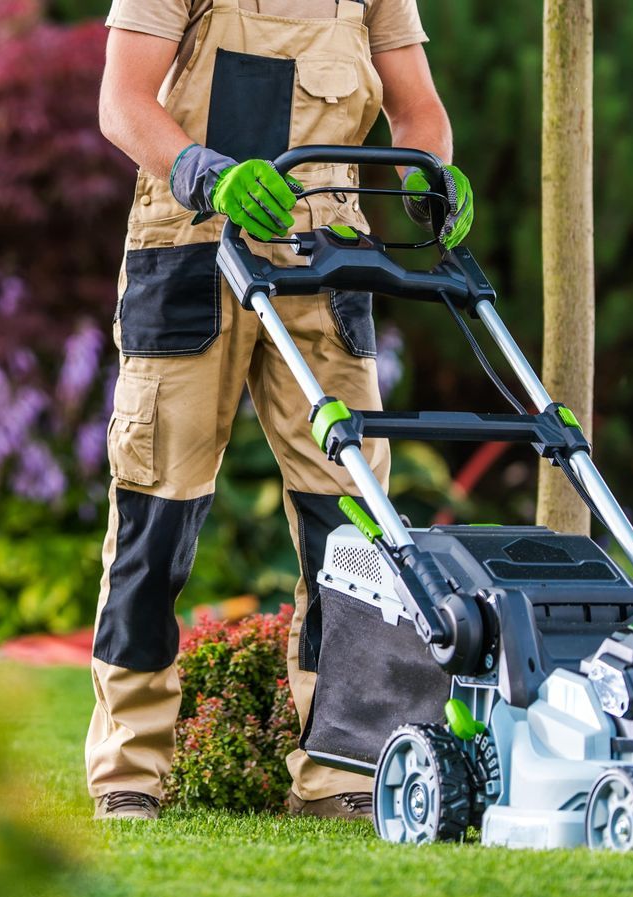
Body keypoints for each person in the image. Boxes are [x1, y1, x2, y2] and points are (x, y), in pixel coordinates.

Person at [86, 0, 475, 821]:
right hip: (190, 248)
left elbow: (417, 109)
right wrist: (206, 172)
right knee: (158, 507)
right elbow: (123, 100)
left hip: (326, 256)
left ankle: (343, 770)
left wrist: (430, 172)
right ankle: (130, 770)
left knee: (354, 521)